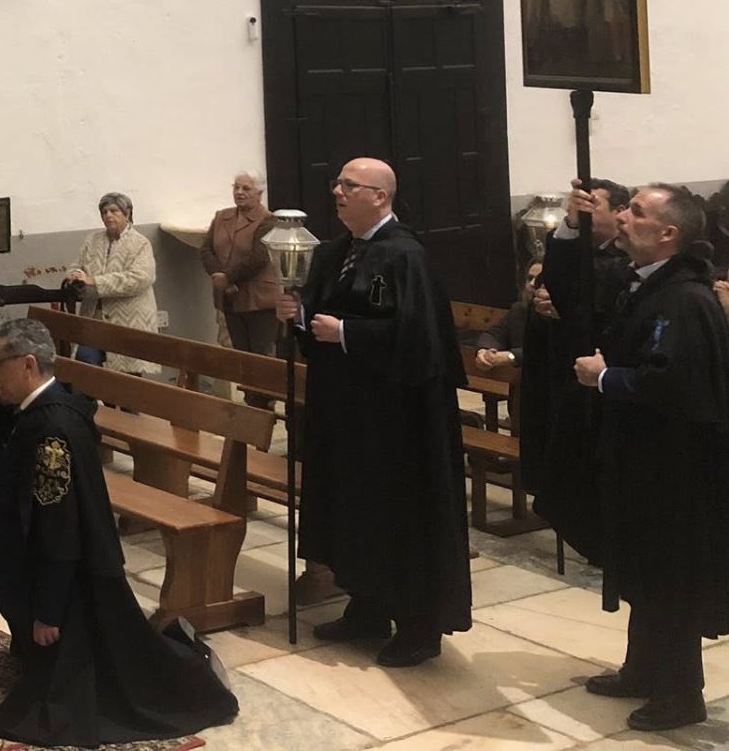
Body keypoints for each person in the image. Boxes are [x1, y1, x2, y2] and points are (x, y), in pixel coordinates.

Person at [0, 319, 237, 747]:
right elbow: (0, 442)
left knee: (73, 696)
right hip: (53, 572)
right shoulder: (38, 413)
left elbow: (59, 529)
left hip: (70, 580)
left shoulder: (53, 430)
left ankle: (184, 672)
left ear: (28, 364)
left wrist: (48, 611)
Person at [277, 157, 471, 666]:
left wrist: (345, 333)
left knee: (398, 516)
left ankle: (417, 626)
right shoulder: (335, 252)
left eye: (349, 185)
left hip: (398, 421)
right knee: (354, 510)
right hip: (346, 414)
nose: (336, 191)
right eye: (337, 183)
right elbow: (318, 323)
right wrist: (296, 318)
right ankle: (365, 606)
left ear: (380, 197)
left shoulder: (406, 257)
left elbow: (420, 339)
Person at [573, 184, 729, 732]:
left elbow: (680, 386)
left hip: (675, 469)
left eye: (636, 212)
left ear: (668, 234)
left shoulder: (684, 299)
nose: (622, 216)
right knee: (643, 568)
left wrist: (606, 377)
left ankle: (680, 693)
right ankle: (642, 669)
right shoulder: (650, 285)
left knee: (671, 578)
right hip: (641, 459)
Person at [524, 177, 634, 559]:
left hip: (610, 383)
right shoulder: (584, 254)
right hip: (572, 375)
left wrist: (568, 308)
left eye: (592, 206)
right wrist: (547, 309)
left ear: (620, 212)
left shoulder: (623, 260)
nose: (583, 212)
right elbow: (559, 287)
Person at [62, 192, 160, 375]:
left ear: (127, 213)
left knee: (127, 379)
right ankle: (95, 404)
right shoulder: (92, 240)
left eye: (114, 211)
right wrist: (74, 275)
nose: (108, 215)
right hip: (94, 316)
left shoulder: (140, 243)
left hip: (129, 320)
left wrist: (95, 281)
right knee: (86, 362)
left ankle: (121, 404)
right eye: (104, 212)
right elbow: (77, 265)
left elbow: (140, 278)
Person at [202, 173, 280, 358]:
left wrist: (228, 277)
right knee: (239, 357)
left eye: (246, 188)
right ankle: (247, 389)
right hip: (229, 298)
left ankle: (262, 389)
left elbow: (259, 257)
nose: (239, 192)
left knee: (261, 357)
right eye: (236, 187)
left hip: (259, 301)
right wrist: (220, 278)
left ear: (259, 193)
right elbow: (206, 249)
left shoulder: (268, 220)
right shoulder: (222, 217)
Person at [475, 261, 542, 372]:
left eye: (540, 280)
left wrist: (512, 356)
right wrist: (484, 351)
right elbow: (494, 334)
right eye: (529, 278)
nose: (532, 284)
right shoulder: (519, 310)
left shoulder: (560, 316)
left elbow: (544, 351)